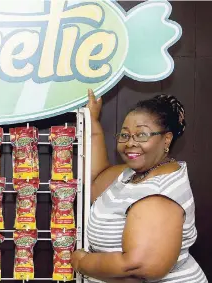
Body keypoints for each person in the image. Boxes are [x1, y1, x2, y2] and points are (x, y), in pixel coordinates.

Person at [71, 90, 208, 283]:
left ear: (166, 139)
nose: (130, 143)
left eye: (141, 135)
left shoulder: (158, 196)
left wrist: (82, 263)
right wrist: (92, 120)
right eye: (125, 135)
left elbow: (136, 267)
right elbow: (96, 181)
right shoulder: (135, 173)